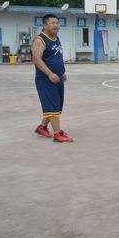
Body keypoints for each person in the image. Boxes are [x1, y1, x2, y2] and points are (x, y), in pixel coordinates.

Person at [32, 14, 74, 142]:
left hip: (57, 78)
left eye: (57, 23)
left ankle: (42, 127)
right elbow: (37, 59)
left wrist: (62, 72)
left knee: (56, 104)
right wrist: (50, 73)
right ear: (45, 25)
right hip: (46, 79)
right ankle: (57, 134)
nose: (56, 25)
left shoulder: (56, 38)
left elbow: (56, 57)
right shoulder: (40, 40)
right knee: (52, 105)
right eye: (53, 23)